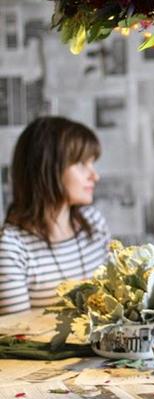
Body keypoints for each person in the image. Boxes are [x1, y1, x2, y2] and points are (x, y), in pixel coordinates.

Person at [0, 116, 111, 315]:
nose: (95, 176)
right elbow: (16, 340)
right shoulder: (11, 247)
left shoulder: (95, 222)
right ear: (48, 169)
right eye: (81, 164)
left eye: (92, 164)